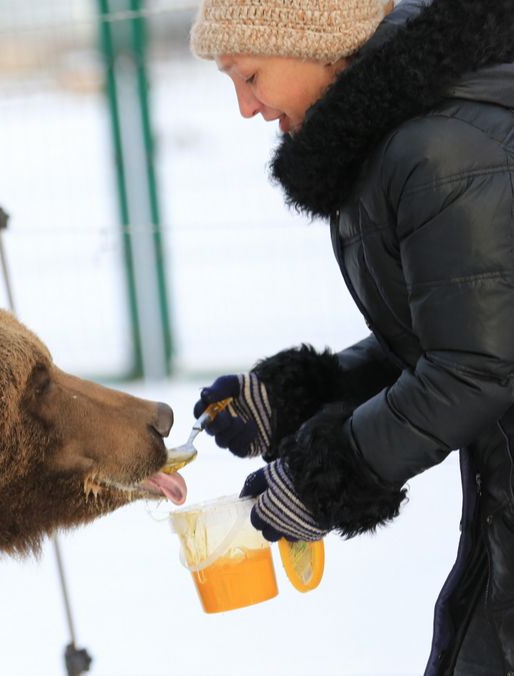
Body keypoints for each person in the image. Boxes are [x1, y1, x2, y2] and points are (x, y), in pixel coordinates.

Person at [187, 0, 514, 673]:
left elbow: (477, 368)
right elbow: (456, 331)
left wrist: (326, 477)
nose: (246, 109)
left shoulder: (440, 148)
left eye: (247, 76)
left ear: (312, 40)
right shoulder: (402, 136)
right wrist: (304, 396)